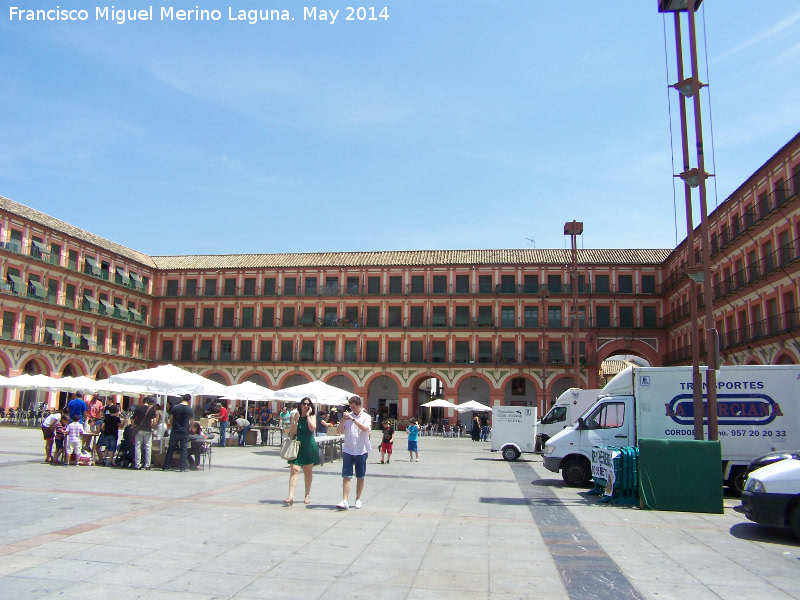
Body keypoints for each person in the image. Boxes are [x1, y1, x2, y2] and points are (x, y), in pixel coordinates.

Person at [336, 395, 372, 510]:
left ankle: (357, 498)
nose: (352, 409)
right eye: (350, 407)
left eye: (354, 407)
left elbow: (364, 428)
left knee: (360, 476)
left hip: (361, 450)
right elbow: (338, 431)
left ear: (359, 405)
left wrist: (353, 419)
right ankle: (345, 500)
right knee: (346, 475)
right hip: (348, 449)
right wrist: (342, 420)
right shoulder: (348, 417)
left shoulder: (366, 416)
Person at [284, 398, 319, 506]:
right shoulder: (295, 415)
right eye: (304, 404)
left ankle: (307, 495)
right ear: (300, 405)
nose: (305, 406)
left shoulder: (312, 416)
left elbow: (312, 428)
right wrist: (295, 421)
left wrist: (307, 416)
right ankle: (291, 496)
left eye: (308, 404)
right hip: (297, 446)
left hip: (308, 445)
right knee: (294, 469)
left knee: (308, 471)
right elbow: (293, 432)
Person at [163, 394, 194, 472]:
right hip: (184, 431)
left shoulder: (175, 407)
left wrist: (172, 426)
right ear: (189, 401)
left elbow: (171, 418)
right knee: (183, 449)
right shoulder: (189, 409)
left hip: (175, 430)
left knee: (171, 449)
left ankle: (166, 466)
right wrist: (189, 428)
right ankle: (182, 467)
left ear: (182, 398)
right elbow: (193, 421)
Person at [132, 397, 157, 470]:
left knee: (137, 447)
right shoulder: (152, 410)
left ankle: (137, 464)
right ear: (149, 403)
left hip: (139, 429)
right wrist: (152, 427)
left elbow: (132, 419)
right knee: (148, 447)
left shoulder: (138, 408)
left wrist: (133, 426)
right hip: (148, 430)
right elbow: (155, 422)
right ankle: (147, 465)